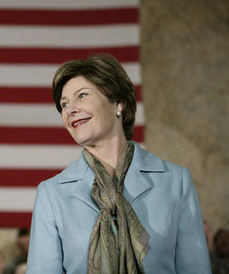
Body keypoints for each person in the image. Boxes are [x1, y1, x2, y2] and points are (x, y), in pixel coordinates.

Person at [26, 54, 211, 273]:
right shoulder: (52, 194)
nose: (70, 109)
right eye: (64, 104)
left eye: (82, 96)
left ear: (118, 102)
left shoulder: (176, 181)